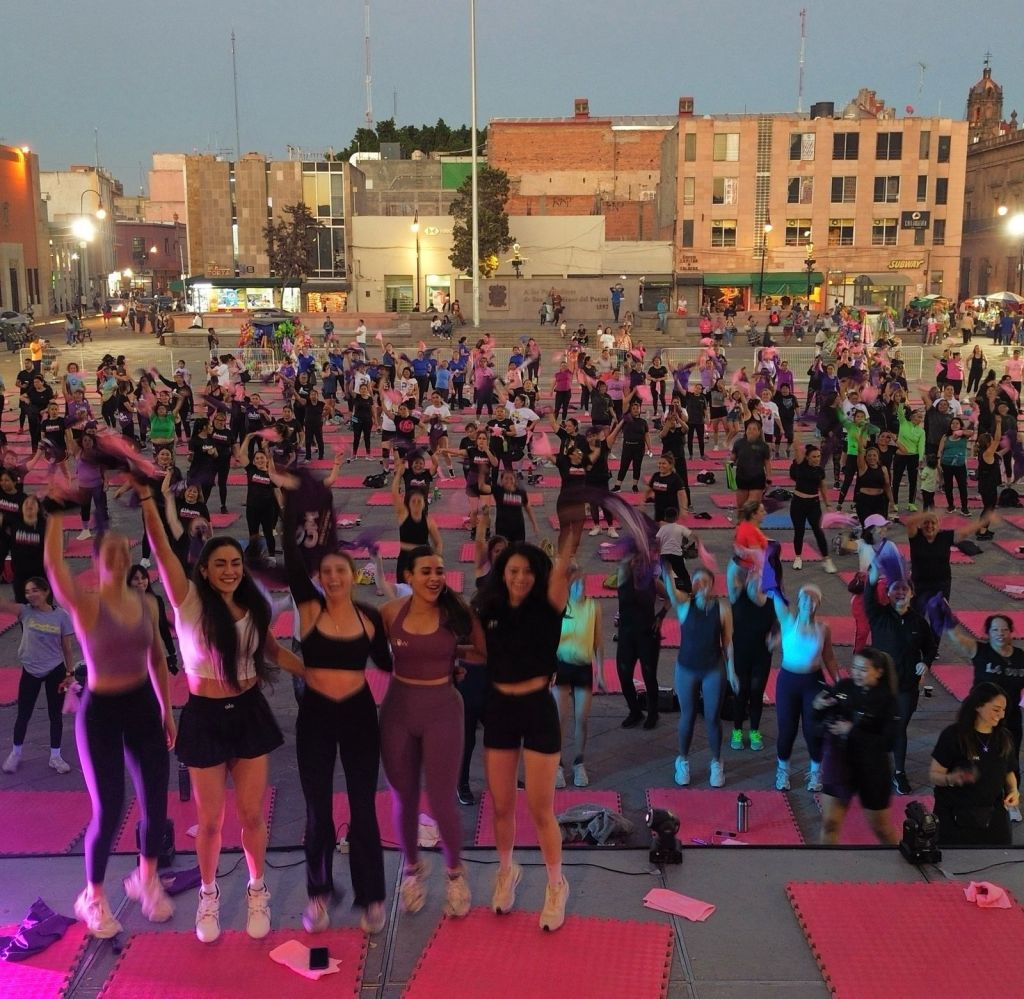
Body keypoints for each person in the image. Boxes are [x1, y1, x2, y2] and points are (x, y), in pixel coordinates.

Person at [134, 483, 304, 944]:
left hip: (248, 711)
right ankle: (208, 894)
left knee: (251, 815)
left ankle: (256, 888)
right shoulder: (185, 600)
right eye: (220, 564)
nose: (229, 571)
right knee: (209, 821)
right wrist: (149, 500)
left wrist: (318, 673)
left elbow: (273, 653)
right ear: (204, 570)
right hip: (205, 715)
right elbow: (159, 545)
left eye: (235, 564)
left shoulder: (254, 605)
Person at [43, 514, 175, 938]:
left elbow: (156, 659)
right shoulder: (85, 603)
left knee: (156, 804)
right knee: (109, 809)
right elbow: (53, 567)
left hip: (141, 707)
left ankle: (146, 878)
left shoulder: (147, 603)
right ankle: (93, 897)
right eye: (110, 553)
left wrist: (166, 709)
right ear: (97, 560)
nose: (118, 559)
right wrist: (54, 514)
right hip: (99, 712)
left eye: (124, 551)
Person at [280, 512, 393, 935]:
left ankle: (372, 897)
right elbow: (292, 564)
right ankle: (319, 893)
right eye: (325, 572)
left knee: (364, 810)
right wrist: (290, 514)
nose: (332, 577)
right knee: (317, 812)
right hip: (317, 717)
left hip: (359, 715)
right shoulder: (308, 609)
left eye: (339, 571)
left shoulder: (369, 617)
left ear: (353, 575)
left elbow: (387, 662)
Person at [472, 538, 574, 931]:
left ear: (537, 575)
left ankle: (555, 884)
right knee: (500, 805)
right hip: (499, 708)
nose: (519, 577)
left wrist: (571, 527)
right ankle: (505, 870)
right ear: (503, 573)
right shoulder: (489, 608)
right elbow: (479, 652)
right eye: (512, 570)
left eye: (527, 571)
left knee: (539, 807)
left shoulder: (549, 607)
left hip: (537, 709)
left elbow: (565, 559)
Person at [380, 547, 486, 919]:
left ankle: (455, 872)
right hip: (398, 710)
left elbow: (482, 653)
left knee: (442, 799)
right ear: (407, 576)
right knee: (403, 798)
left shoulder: (456, 613)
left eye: (439, 571)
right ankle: (412, 869)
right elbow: (378, 656)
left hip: (442, 709)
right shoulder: (390, 613)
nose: (434, 578)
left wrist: (452, 660)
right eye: (425, 571)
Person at [864, 560, 938, 796]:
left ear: (912, 593)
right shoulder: (878, 615)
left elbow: (931, 646)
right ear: (887, 593)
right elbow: (868, 595)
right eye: (895, 588)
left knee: (898, 728)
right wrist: (873, 574)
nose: (900, 592)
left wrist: (925, 662)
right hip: (879, 687)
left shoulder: (918, 622)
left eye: (904, 588)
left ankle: (899, 773)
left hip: (906, 687)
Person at [814, 647, 901, 845]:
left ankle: (903, 865)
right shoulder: (844, 687)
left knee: (882, 828)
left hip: (872, 770)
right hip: (841, 765)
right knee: (829, 823)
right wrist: (817, 707)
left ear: (879, 672)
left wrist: (852, 731)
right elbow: (820, 721)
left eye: (863, 669)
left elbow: (887, 742)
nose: (857, 674)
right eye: (854, 668)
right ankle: (823, 871)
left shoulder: (888, 701)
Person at [943, 613, 1024, 821]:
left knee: (1010, 760)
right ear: (988, 633)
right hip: (977, 719)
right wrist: (946, 619)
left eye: (1004, 629)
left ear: (1011, 632)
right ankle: (968, 796)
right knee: (971, 756)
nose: (1000, 633)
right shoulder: (980, 651)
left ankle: (1011, 800)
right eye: (995, 629)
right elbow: (957, 639)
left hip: (1009, 719)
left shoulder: (1021, 657)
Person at [665, 567, 738, 787]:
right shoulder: (684, 605)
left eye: (705, 581)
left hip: (713, 670)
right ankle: (683, 760)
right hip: (686, 669)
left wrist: (732, 670)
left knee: (712, 718)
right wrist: (666, 565)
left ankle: (716, 762)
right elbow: (670, 587)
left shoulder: (722, 608)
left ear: (712, 585)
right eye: (697, 582)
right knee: (687, 717)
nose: (701, 585)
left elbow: (727, 642)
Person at [0, 577, 75, 776]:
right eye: (27, 592)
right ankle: (16, 753)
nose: (31, 595)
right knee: (24, 714)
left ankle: (55, 756)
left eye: (35, 590)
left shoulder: (61, 616)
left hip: (55, 670)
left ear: (46, 592)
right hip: (30, 671)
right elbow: (3, 605)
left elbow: (67, 648)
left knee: (54, 715)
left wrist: (70, 673)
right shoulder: (24, 612)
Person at [929, 682, 1020, 846]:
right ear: (978, 706)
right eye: (996, 709)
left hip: (993, 815)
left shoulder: (1004, 737)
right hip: (955, 817)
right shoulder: (954, 735)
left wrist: (1013, 790)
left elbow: (1009, 770)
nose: (1001, 715)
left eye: (1003, 710)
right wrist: (951, 778)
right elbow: (934, 774)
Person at [770, 584, 839, 792]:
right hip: (788, 683)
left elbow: (829, 657)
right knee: (786, 730)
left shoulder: (823, 628)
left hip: (813, 684)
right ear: (798, 602)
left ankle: (816, 773)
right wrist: (763, 560)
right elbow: (774, 591)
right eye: (805, 599)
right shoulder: (788, 622)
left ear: (818, 604)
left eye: (813, 600)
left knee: (813, 731)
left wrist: (839, 683)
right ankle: (783, 771)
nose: (809, 603)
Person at [553, 568, 604, 788]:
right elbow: (550, 639)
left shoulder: (594, 607)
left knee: (581, 719)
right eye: (575, 584)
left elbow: (598, 643)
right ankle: (557, 765)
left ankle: (579, 762)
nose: (580, 588)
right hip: (561, 667)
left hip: (583, 668)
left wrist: (600, 671)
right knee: (560, 719)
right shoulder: (561, 606)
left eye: (583, 584)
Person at [727, 564, 776, 752]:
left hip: (762, 657)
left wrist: (775, 639)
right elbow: (732, 571)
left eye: (759, 579)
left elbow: (778, 627)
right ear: (746, 579)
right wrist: (742, 554)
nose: (755, 581)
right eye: (752, 577)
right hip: (740, 655)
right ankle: (737, 731)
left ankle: (754, 731)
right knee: (740, 694)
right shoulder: (737, 597)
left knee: (756, 694)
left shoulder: (771, 602)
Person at [788, 443, 836, 572]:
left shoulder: (820, 470)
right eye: (814, 456)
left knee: (818, 532)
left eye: (818, 456)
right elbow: (797, 447)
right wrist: (797, 430)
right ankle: (798, 557)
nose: (817, 459)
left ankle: (826, 559)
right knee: (799, 531)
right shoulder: (800, 465)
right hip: (798, 504)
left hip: (813, 504)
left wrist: (828, 505)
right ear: (807, 457)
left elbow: (823, 488)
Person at [731, 420, 772, 510]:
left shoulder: (764, 446)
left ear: (759, 432)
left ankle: (752, 523)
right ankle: (741, 524)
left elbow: (767, 463)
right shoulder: (739, 443)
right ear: (746, 430)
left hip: (757, 479)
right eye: (749, 429)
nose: (751, 431)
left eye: (754, 429)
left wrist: (769, 478)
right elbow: (732, 458)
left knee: (751, 508)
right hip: (741, 478)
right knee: (741, 506)